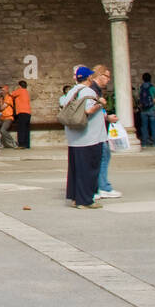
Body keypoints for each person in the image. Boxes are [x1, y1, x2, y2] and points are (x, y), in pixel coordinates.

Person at [59, 66, 110, 208]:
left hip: (74, 138)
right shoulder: (88, 91)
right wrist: (100, 103)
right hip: (89, 137)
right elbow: (88, 110)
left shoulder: (72, 91)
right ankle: (86, 200)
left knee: (76, 170)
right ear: (89, 78)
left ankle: (76, 198)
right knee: (89, 169)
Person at [88, 66, 123, 200]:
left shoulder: (96, 90)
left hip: (99, 129)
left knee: (103, 156)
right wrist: (106, 116)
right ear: (100, 75)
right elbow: (92, 109)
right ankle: (103, 187)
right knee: (103, 156)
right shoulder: (93, 90)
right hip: (97, 131)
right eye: (107, 76)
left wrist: (107, 117)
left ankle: (100, 187)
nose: (108, 80)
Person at [136, 72, 155, 148]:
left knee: (144, 127)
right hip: (152, 109)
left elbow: (138, 98)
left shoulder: (141, 88)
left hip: (143, 110)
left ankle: (144, 143)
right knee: (153, 126)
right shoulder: (153, 88)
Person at [0, 84, 16, 148]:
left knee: (2, 130)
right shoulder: (0, 98)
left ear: (6, 91)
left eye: (3, 90)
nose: (1, 91)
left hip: (8, 117)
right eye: (1, 90)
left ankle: (13, 142)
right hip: (0, 117)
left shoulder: (9, 98)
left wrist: (0, 102)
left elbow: (2, 108)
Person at [12, 80, 33, 149]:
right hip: (28, 113)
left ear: (19, 86)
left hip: (22, 112)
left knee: (21, 129)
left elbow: (12, 94)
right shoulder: (26, 92)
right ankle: (27, 144)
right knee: (26, 129)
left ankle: (21, 144)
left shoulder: (20, 90)